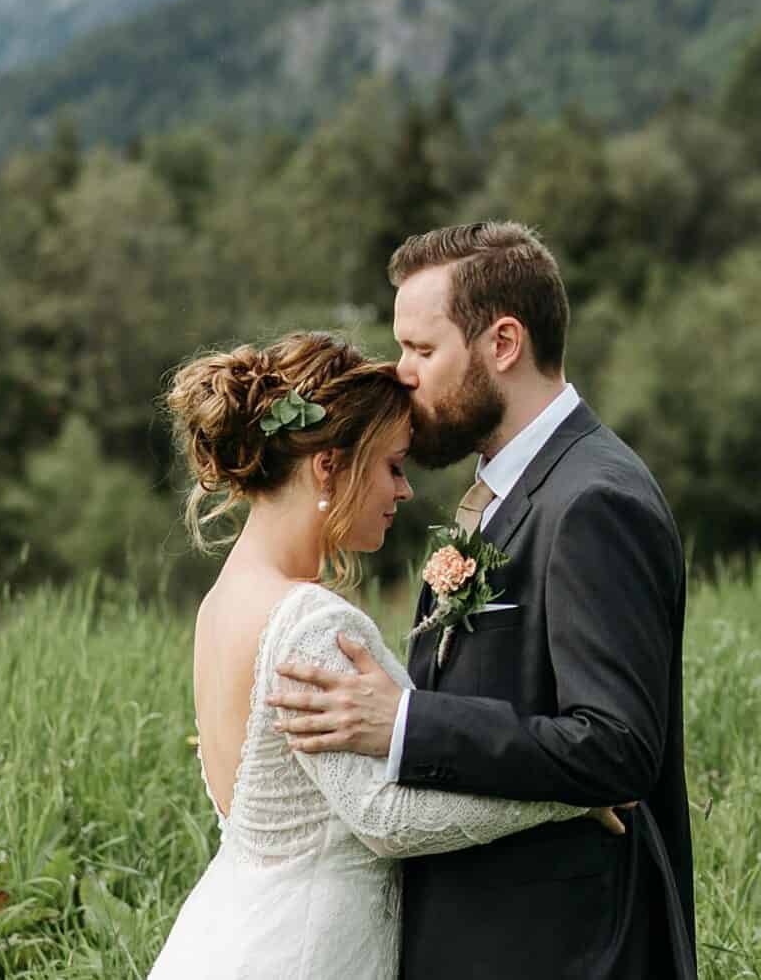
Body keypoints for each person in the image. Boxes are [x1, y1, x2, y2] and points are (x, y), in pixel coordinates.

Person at [269, 222, 697, 979]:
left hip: (569, 948)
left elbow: (617, 745)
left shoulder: (594, 499)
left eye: (422, 350)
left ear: (503, 343)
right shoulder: (512, 489)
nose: (400, 374)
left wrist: (405, 722)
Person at [145, 330, 621, 980]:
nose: (401, 491)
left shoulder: (221, 605)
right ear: (328, 467)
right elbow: (384, 816)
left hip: (226, 932)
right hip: (304, 952)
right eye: (393, 465)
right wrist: (567, 792)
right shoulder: (309, 620)